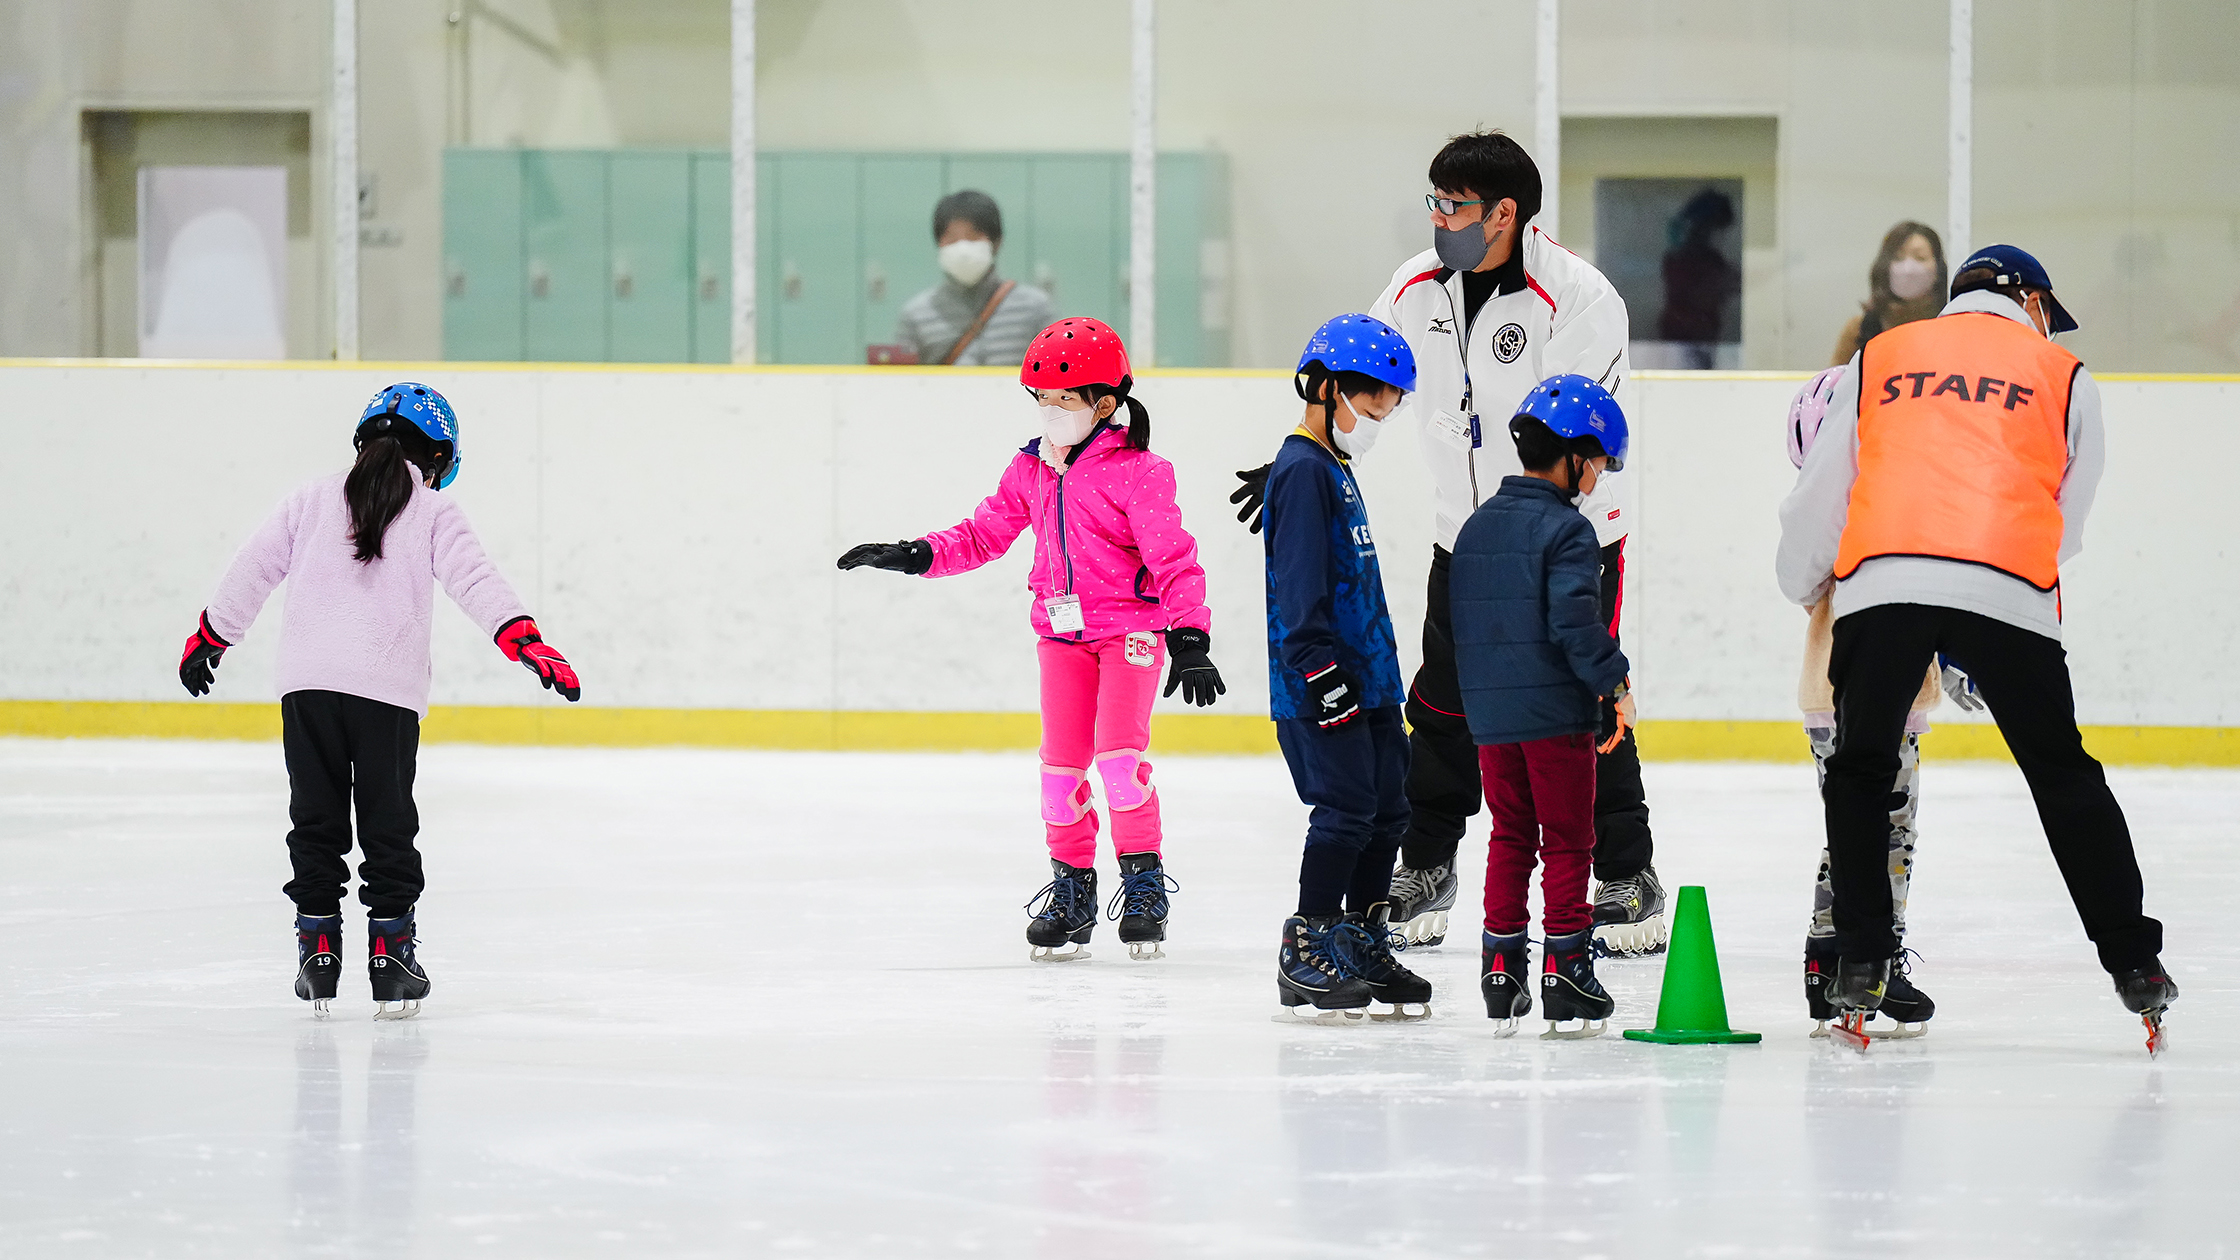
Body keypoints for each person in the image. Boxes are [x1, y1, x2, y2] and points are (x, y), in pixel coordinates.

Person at [1238, 130, 1664, 957]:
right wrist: (1305, 448)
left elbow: (1581, 434)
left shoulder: (1577, 298)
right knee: (1442, 702)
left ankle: (1626, 873)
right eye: (1432, 200)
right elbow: (1355, 369)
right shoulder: (1414, 285)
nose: (1436, 217)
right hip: (1460, 539)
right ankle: (1426, 862)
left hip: (1566, 540)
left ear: (1504, 214)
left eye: (1453, 205)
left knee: (1575, 702)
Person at [1777, 244, 2179, 1055]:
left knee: (1860, 768)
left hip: (1884, 580)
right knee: (2063, 775)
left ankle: (1860, 960)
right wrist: (2004, 572)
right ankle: (2135, 963)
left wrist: (1801, 580)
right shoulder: (2065, 375)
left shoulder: (1880, 355)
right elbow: (2071, 505)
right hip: (2008, 583)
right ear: (2029, 299)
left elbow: (1827, 486)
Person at [176, 383, 583, 1020]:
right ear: (439, 454)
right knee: (387, 822)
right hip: (385, 695)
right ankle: (391, 959)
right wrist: (525, 641)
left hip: (306, 688)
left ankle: (317, 950)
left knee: (316, 820)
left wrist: (211, 636)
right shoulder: (431, 511)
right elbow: (476, 579)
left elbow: (251, 567)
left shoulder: (312, 497)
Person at [837, 317, 1223, 962]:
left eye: (1064, 402)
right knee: (1059, 773)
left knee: (1120, 763)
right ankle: (1072, 890)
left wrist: (1189, 636)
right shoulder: (1031, 468)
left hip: (1128, 633)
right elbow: (982, 535)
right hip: (1061, 638)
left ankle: (1144, 881)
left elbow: (1174, 559)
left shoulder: (1141, 471)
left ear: (1106, 403)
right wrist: (914, 554)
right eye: (1041, 401)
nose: (1051, 414)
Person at [1265, 314, 1433, 1022]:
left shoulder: (1331, 465)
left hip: (1368, 682)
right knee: (1342, 812)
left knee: (1388, 809)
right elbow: (1298, 586)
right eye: (1371, 405)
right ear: (1329, 389)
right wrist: (1320, 673)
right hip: (1323, 684)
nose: (1377, 420)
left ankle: (1361, 938)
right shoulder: (1304, 470)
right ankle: (1307, 943)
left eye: (1388, 409)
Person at [1455, 376, 1634, 1039]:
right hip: (1556, 719)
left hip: (1492, 722)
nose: (1598, 475)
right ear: (1574, 455)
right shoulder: (1568, 531)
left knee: (1509, 837)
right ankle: (1565, 972)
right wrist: (1614, 685)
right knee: (1567, 841)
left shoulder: (1475, 528)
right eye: (1598, 461)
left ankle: (1500, 970)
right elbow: (1576, 628)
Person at [1785, 366, 1946, 1039]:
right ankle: (1875, 959)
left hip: (1834, 694)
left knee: (1851, 833)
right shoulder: (1878, 506)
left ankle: (1832, 960)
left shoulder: (1836, 510)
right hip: (1871, 694)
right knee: (1887, 837)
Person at [891, 190, 1055, 368]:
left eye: (973, 237)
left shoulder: (1035, 308)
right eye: (951, 239)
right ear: (939, 244)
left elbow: (1057, 377)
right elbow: (901, 384)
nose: (962, 249)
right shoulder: (916, 315)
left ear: (996, 242)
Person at [1829, 221, 1947, 366]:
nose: (1908, 269)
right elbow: (1834, 384)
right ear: (1884, 267)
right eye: (1898, 258)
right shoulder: (1859, 329)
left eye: (1920, 258)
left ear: (1938, 270)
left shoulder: (1950, 324)